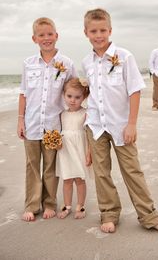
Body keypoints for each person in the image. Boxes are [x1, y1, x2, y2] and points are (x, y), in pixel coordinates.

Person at [82, 8, 158, 235]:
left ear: (110, 30)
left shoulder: (124, 56)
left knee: (132, 171)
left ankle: (149, 217)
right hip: (95, 125)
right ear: (86, 33)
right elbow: (90, 94)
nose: (99, 35)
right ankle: (109, 213)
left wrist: (131, 123)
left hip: (121, 125)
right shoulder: (86, 62)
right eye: (93, 31)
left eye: (103, 30)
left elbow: (134, 91)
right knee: (101, 173)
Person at [17, 17, 76, 222]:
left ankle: (50, 203)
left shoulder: (67, 63)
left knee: (51, 167)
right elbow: (23, 93)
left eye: (50, 34)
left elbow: (73, 90)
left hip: (53, 125)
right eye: (41, 35)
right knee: (32, 166)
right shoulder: (28, 64)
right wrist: (20, 120)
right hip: (32, 124)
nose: (46, 38)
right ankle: (32, 205)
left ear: (56, 36)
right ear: (35, 38)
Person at [56, 78, 92, 219]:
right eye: (69, 96)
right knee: (67, 179)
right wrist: (57, 142)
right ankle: (67, 206)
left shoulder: (86, 113)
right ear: (63, 95)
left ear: (84, 97)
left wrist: (89, 153)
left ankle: (80, 206)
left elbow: (89, 136)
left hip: (79, 150)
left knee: (79, 179)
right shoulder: (61, 114)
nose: (73, 100)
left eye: (77, 97)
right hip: (65, 151)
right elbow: (60, 133)